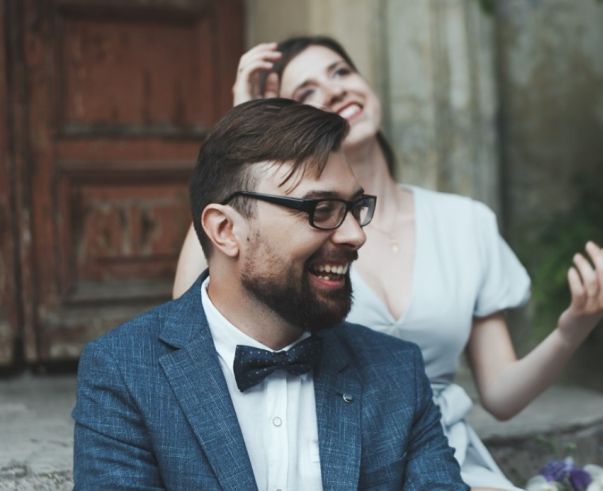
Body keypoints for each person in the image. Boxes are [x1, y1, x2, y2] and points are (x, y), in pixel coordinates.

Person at [173, 36, 603, 491]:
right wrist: (237, 147)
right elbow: (191, 314)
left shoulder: (465, 221)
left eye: (340, 72)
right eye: (307, 93)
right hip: (330, 456)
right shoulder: (291, 241)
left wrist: (573, 328)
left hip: (447, 455)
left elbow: (502, 396)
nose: (334, 91)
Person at [73, 98, 466, 490]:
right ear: (226, 230)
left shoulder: (397, 371)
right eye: (322, 209)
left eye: (355, 207)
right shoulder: (124, 371)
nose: (356, 234)